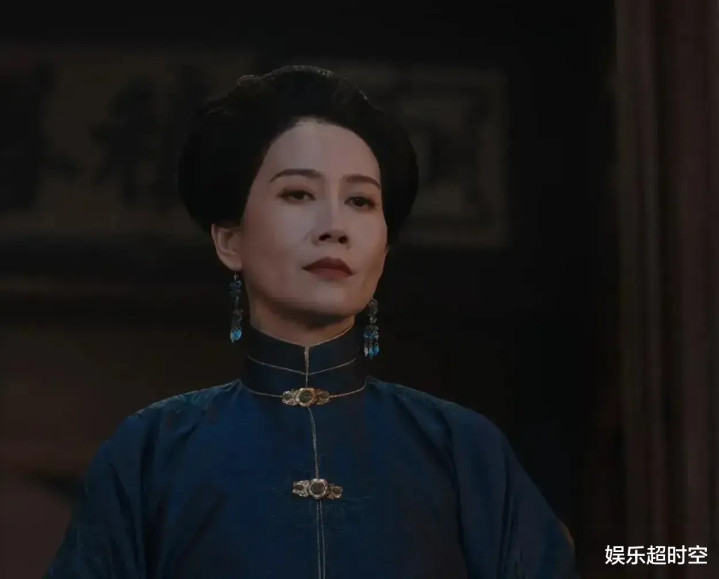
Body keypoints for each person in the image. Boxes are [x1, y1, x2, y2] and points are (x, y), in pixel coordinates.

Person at [45, 65, 577, 578]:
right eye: (298, 194)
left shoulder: (461, 450)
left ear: (384, 248)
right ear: (229, 240)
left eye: (361, 201)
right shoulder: (152, 452)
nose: (335, 227)